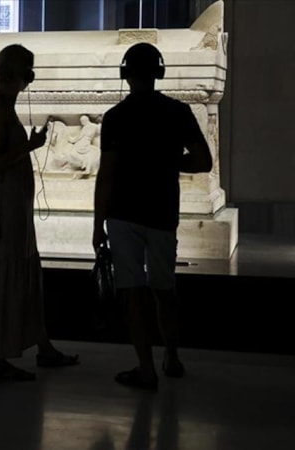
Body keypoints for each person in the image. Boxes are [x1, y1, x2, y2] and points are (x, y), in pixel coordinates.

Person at [92, 43, 213, 391]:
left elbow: (106, 175)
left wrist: (97, 224)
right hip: (162, 211)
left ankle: (145, 368)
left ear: (125, 74)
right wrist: (169, 162)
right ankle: (171, 356)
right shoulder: (178, 112)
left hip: (122, 214)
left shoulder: (115, 117)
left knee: (132, 292)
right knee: (165, 289)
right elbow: (203, 161)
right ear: (159, 73)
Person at [0, 44, 79, 381]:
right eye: (28, 69)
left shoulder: (4, 105)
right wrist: (30, 146)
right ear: (20, 73)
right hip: (3, 207)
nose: (31, 76)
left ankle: (43, 346)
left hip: (13, 205)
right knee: (7, 273)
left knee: (22, 272)